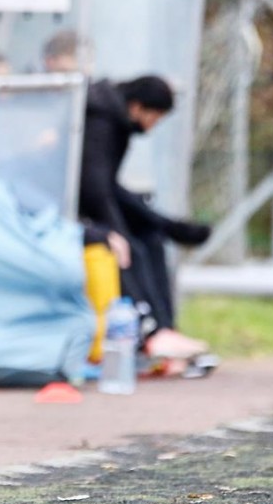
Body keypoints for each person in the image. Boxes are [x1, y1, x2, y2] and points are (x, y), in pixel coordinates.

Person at [77, 74, 213, 369]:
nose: (152, 127)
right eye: (154, 118)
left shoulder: (115, 120)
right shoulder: (100, 120)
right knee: (129, 250)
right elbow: (93, 187)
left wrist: (163, 224)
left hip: (89, 204)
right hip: (67, 210)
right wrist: (117, 232)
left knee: (151, 239)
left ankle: (165, 329)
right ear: (137, 107)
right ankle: (149, 333)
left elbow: (107, 185)